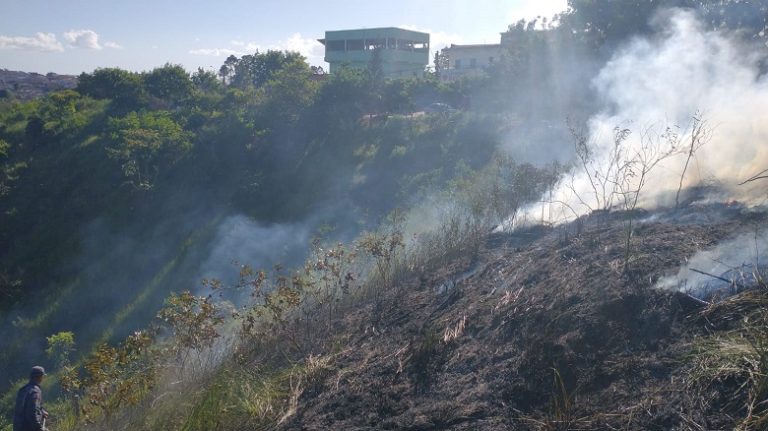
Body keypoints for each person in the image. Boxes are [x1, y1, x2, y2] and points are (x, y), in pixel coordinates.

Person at [13, 366, 48, 431]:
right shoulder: (35, 391)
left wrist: (42, 412)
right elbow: (32, 413)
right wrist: (39, 428)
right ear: (40, 377)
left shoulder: (23, 390)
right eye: (43, 376)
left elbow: (23, 409)